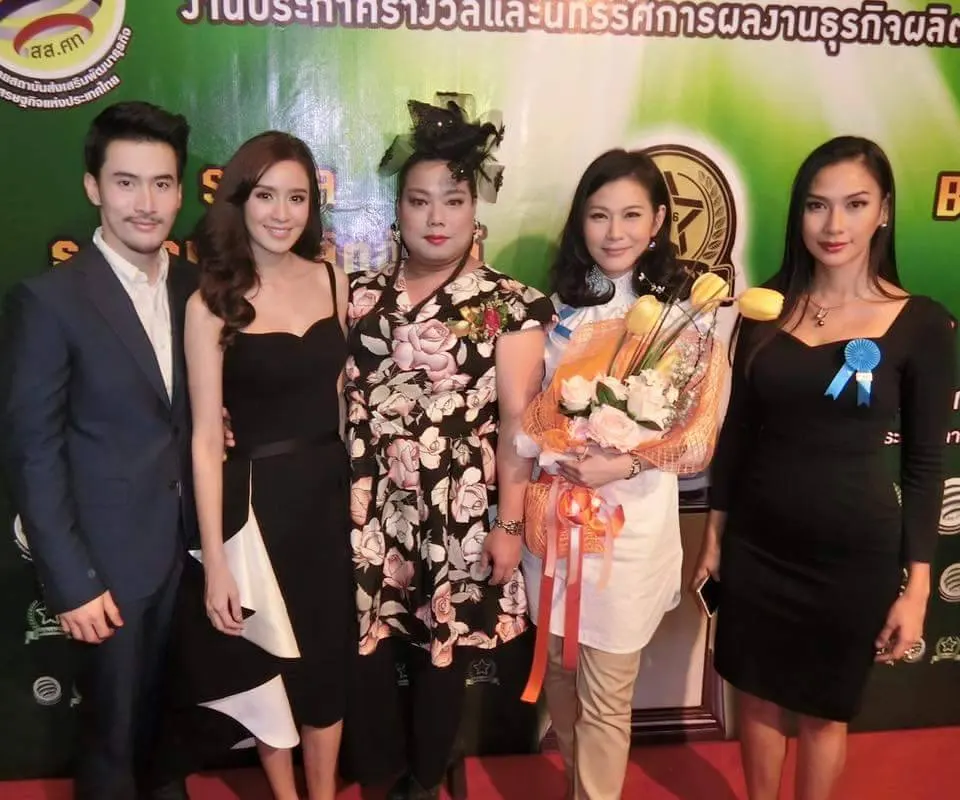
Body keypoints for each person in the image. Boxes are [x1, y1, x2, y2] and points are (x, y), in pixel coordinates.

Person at [691, 136, 956, 800]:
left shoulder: (922, 323)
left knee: (822, 711)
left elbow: (926, 463)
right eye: (817, 205)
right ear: (799, 214)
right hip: (758, 542)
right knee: (754, 694)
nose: (834, 225)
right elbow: (737, 431)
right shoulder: (765, 309)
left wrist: (918, 588)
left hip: (851, 554)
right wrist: (716, 535)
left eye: (854, 204)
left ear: (884, 211)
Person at [341, 94, 556, 800]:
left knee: (444, 648)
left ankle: (427, 778)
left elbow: (520, 423)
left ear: (475, 211)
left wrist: (508, 523)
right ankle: (379, 772)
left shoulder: (510, 304)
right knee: (367, 638)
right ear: (397, 210)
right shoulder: (356, 295)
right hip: (368, 497)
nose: (436, 217)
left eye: (453, 201)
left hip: (455, 502)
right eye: (419, 201)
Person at [0, 102, 194, 800]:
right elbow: (32, 452)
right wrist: (72, 581)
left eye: (161, 184)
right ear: (93, 187)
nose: (146, 204)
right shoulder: (49, 300)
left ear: (180, 191)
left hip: (192, 558)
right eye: (125, 182)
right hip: (108, 567)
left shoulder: (196, 290)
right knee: (111, 748)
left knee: (170, 742)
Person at [519, 149, 723, 800]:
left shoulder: (685, 316)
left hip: (626, 534)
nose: (614, 232)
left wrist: (624, 459)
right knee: (558, 676)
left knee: (607, 693)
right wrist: (554, 445)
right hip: (555, 525)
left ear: (659, 220)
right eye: (599, 215)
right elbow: (525, 414)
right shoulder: (554, 310)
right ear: (580, 222)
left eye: (631, 215)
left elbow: (696, 436)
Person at [157, 131, 352, 800]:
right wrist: (215, 561)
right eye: (266, 195)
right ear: (238, 200)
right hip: (258, 507)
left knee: (327, 658)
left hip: (329, 500)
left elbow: (337, 397)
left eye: (297, 197)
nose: (282, 212)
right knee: (269, 664)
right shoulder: (209, 303)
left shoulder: (332, 278)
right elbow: (204, 440)